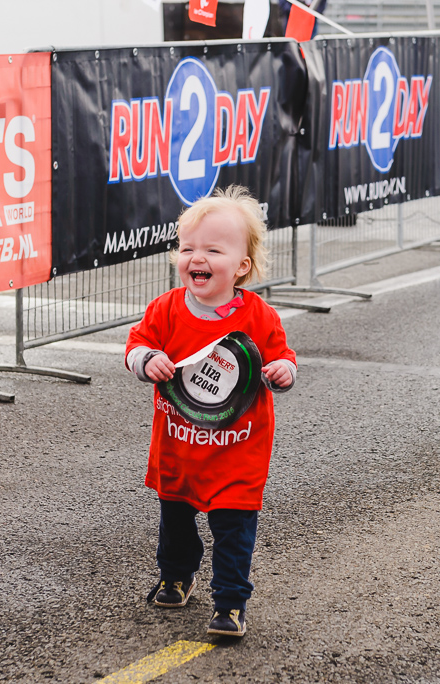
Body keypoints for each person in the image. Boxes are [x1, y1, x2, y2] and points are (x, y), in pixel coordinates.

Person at [124, 185, 297, 637]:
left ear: (241, 266)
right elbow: (136, 344)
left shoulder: (259, 317)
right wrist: (146, 360)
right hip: (179, 448)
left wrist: (281, 369)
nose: (196, 258)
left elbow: (283, 357)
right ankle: (177, 574)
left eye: (212, 250)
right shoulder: (165, 309)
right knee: (175, 523)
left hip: (236, 452)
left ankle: (231, 602)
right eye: (187, 248)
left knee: (233, 529)